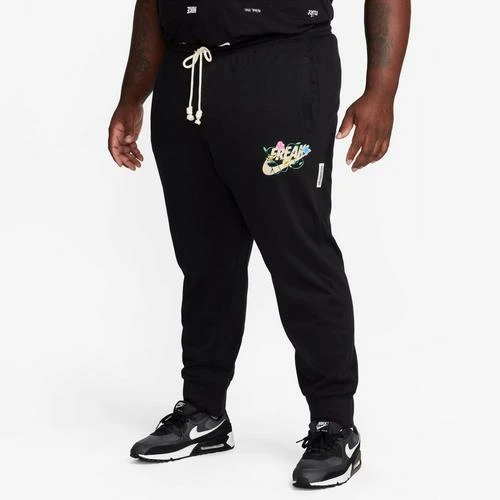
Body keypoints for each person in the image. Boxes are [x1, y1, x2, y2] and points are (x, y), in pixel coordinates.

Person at [108, 0, 410, 489]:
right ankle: (204, 409)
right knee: (205, 258)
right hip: (185, 78)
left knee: (298, 254)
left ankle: (334, 423)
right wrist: (131, 97)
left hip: (282, 70)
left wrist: (382, 91)